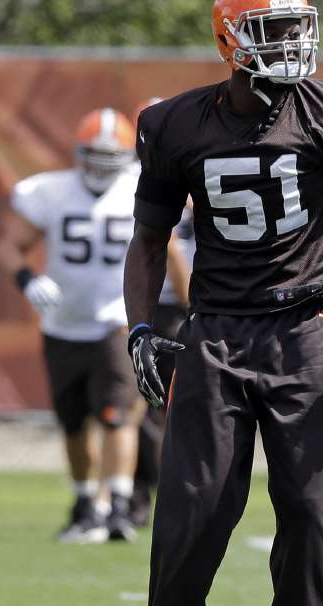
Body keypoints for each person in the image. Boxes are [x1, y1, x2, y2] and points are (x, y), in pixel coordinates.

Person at [124, 1, 323, 606]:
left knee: (310, 526)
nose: (292, 41)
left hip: (306, 336)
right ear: (229, 36)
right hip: (214, 337)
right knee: (189, 525)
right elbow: (149, 238)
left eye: (296, 25)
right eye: (272, 28)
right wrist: (138, 328)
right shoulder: (176, 123)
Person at [0, 107, 144, 544]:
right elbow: (10, 245)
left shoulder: (142, 188)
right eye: (93, 156)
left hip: (117, 321)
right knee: (74, 423)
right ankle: (85, 503)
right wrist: (28, 279)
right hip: (62, 324)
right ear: (77, 153)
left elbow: (169, 240)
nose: (101, 166)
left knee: (118, 416)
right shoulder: (50, 192)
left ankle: (118, 505)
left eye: (110, 157)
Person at [128, 97, 198, 528]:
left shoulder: (194, 171)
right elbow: (159, 246)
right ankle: (142, 496)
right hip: (163, 305)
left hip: (184, 304)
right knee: (151, 410)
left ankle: (162, 496)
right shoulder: (135, 182)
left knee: (168, 410)